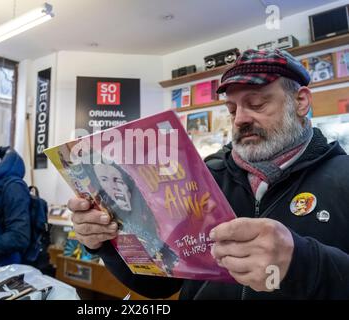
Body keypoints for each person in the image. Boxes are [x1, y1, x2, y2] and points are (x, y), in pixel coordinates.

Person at [68, 49, 349, 299]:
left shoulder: (342, 178)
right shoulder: (205, 177)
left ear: (300, 102)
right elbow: (161, 285)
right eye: (232, 109)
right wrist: (107, 243)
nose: (240, 118)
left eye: (257, 104)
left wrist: (303, 264)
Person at [83, 161, 179, 275]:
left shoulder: (153, 209)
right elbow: (151, 281)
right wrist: (102, 245)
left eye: (117, 180)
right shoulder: (111, 214)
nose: (112, 187)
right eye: (103, 180)